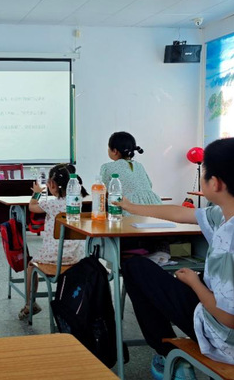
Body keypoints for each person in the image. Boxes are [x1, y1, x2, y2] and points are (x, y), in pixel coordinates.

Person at [119, 137, 234, 380]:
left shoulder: (229, 244)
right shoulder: (223, 213)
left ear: (215, 183)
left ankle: (167, 355)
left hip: (224, 339)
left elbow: (228, 317)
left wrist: (194, 283)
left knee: (134, 268)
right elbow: (180, 213)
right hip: (220, 316)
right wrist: (133, 207)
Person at [18, 164, 88, 320]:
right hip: (77, 256)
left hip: (57, 256)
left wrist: (36, 193)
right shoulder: (78, 200)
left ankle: (30, 304)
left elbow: (32, 207)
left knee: (31, 265)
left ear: (51, 184)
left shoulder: (51, 204)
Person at [100, 131, 162, 209]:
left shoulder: (107, 167)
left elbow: (103, 190)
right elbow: (150, 185)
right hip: (155, 206)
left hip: (131, 208)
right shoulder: (139, 165)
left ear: (114, 151)